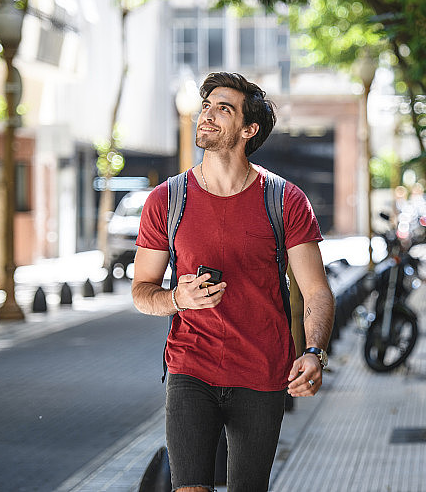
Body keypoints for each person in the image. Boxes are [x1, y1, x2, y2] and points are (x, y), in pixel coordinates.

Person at [131, 72, 334, 492]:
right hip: (191, 368)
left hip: (262, 372)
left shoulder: (284, 200)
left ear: (248, 129)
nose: (207, 113)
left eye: (223, 108)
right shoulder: (167, 200)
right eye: (206, 105)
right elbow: (142, 291)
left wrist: (314, 351)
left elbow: (316, 291)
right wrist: (177, 298)